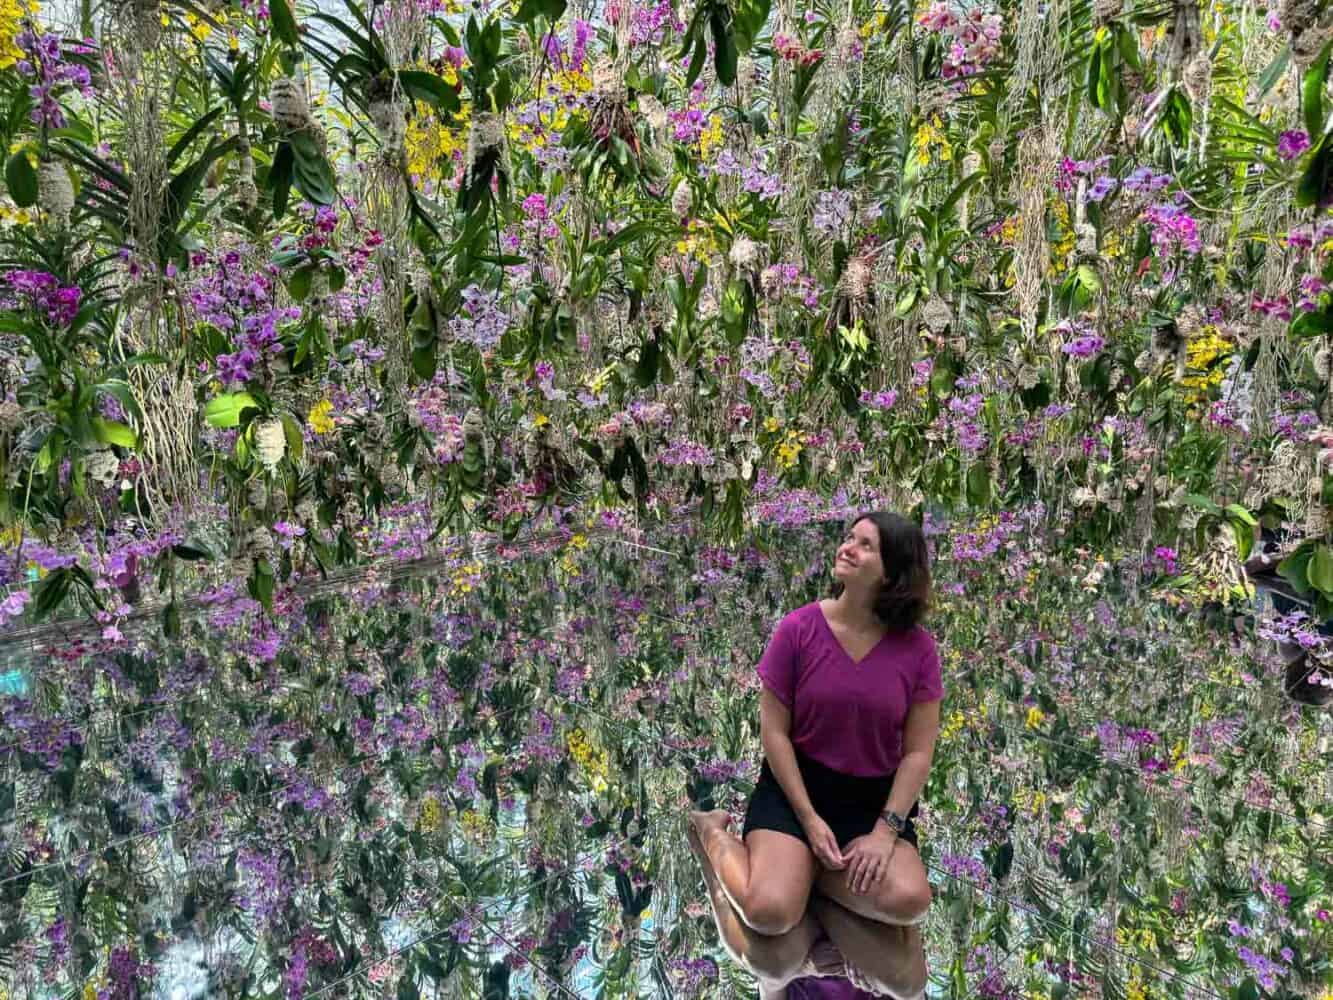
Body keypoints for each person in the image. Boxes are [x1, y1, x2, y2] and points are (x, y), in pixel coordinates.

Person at [689, 511, 943, 992]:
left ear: (892, 572)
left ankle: (814, 887)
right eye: (849, 538)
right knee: (768, 911)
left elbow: (917, 755)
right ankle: (712, 835)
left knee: (912, 900)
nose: (847, 547)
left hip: (870, 805)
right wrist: (806, 818)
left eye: (866, 545)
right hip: (795, 792)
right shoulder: (799, 629)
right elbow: (774, 736)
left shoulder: (918, 651)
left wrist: (885, 832)